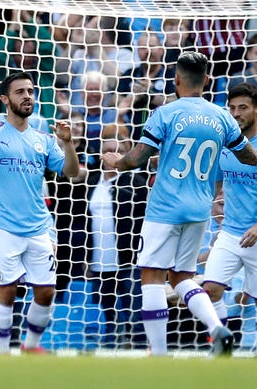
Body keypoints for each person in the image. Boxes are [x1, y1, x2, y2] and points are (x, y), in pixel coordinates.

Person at [101, 51, 257, 356]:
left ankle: (158, 353)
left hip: (165, 207)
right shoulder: (222, 117)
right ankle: (217, 328)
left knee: (151, 275)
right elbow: (250, 157)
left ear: (175, 80)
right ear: (208, 80)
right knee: (182, 277)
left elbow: (137, 158)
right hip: (200, 208)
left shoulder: (166, 113)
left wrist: (115, 161)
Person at [0, 71, 79, 354]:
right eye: (20, 92)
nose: (28, 96)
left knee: (46, 291)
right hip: (3, 227)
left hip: (38, 226)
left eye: (30, 91)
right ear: (5, 99)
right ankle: (2, 353)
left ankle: (30, 347)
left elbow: (72, 172)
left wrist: (68, 143)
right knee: (7, 290)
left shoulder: (43, 138)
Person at [202, 83, 257, 359]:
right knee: (211, 290)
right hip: (229, 233)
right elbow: (214, 185)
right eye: (232, 108)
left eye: (243, 107)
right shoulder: (224, 144)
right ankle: (222, 347)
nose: (237, 113)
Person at [84, 134, 148, 348]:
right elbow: (84, 221)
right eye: (108, 149)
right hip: (99, 260)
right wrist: (86, 258)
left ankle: (141, 351)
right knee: (108, 314)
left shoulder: (135, 182)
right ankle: (110, 351)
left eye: (118, 150)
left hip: (128, 260)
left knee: (134, 313)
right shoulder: (92, 182)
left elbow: (143, 221)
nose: (112, 154)